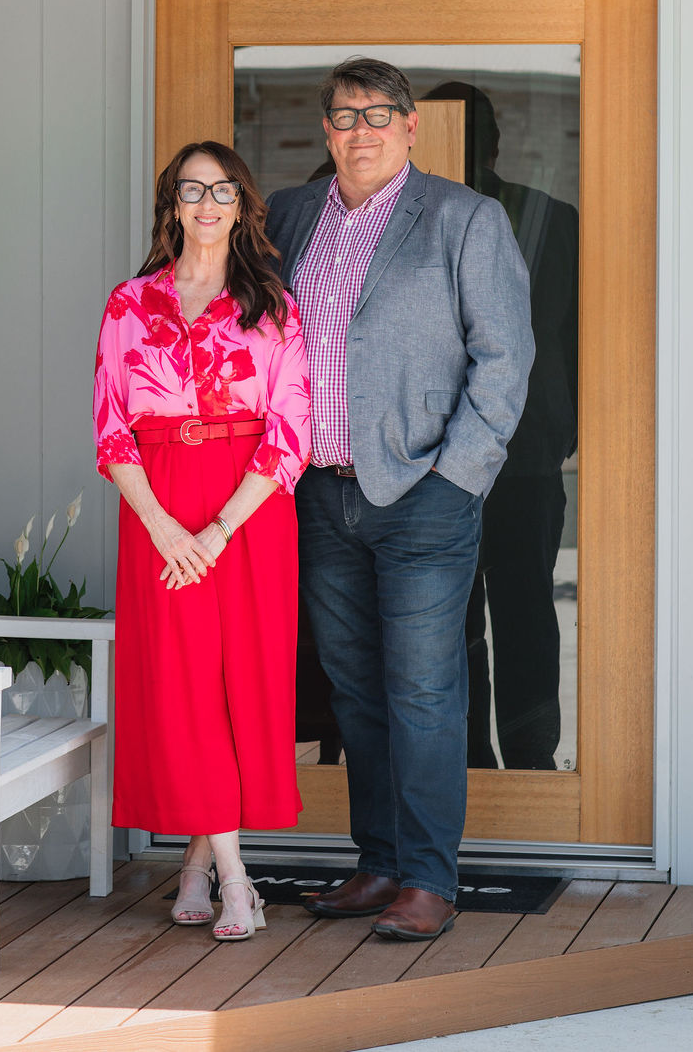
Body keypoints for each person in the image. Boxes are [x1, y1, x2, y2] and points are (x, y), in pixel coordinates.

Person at [265, 57, 533, 941]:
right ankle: (377, 862)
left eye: (380, 115)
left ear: (411, 127)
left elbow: (505, 357)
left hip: (423, 492)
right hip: (319, 493)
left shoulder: (465, 218)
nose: (363, 131)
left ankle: (427, 877)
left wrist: (458, 477)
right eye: (347, 116)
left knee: (422, 690)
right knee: (355, 690)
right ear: (327, 130)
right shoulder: (290, 215)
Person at [93, 140, 310, 943]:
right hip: (158, 508)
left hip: (248, 513)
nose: (208, 204)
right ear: (173, 205)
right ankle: (237, 881)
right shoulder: (130, 303)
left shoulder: (273, 305)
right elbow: (111, 428)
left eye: (223, 191)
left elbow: (291, 434)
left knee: (235, 686)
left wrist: (217, 529)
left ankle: (195, 865)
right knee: (183, 687)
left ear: (242, 205)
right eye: (193, 190)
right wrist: (163, 527)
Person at [421, 81, 580, 773]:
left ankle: (486, 766)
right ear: (495, 143)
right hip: (510, 449)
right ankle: (523, 765)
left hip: (498, 453)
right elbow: (578, 340)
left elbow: (576, 336)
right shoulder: (552, 217)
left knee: (467, 619)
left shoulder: (549, 220)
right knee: (521, 616)